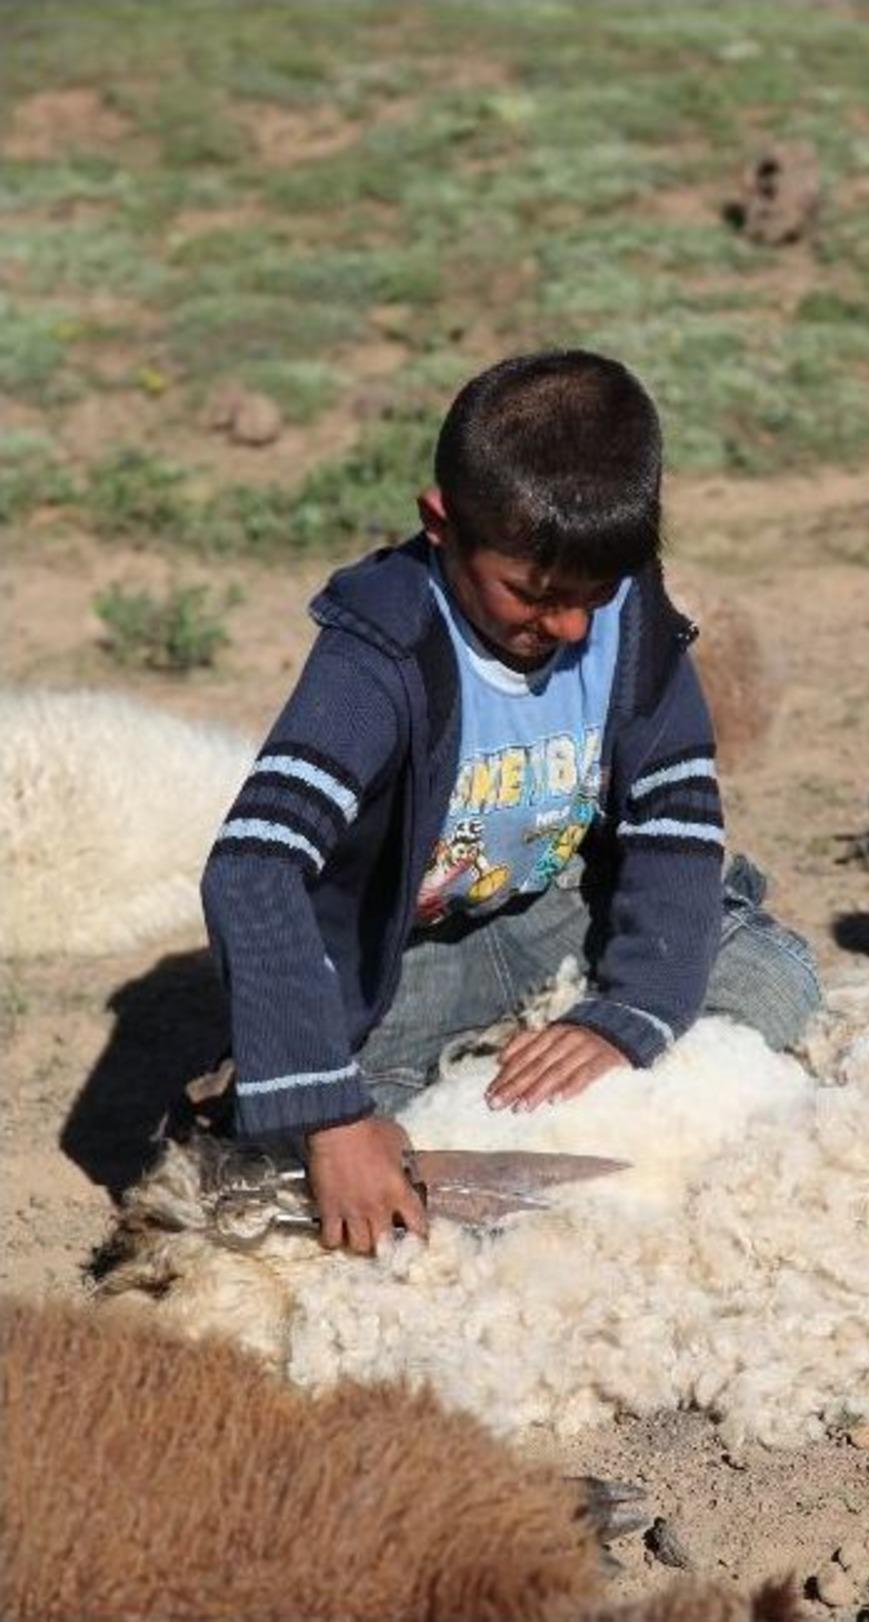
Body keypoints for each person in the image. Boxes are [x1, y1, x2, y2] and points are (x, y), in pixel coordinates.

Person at [201, 350, 821, 1256]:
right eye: (534, 595)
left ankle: (537, 1069)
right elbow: (253, 866)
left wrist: (628, 1013)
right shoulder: (378, 656)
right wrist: (331, 1116)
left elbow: (676, 825)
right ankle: (290, 1090)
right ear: (441, 525)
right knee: (311, 1151)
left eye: (590, 597)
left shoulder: (631, 623)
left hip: (547, 915)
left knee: (776, 977)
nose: (567, 627)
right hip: (399, 963)